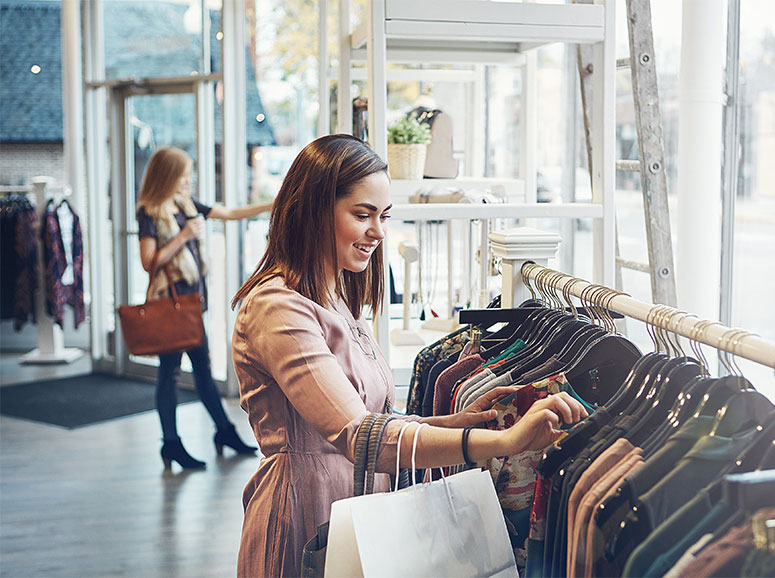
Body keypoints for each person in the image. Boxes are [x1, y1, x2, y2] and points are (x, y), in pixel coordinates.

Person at [230, 134, 588, 577]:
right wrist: (501, 444)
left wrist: (455, 422)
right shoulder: (277, 307)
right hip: (306, 511)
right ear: (313, 209)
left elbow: (378, 420)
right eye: (363, 215)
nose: (378, 232)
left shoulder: (336, 297)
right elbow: (359, 435)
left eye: (383, 216)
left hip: (358, 510)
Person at [136, 146, 271, 470]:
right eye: (184, 174)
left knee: (201, 371)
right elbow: (148, 262)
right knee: (170, 374)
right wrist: (183, 236)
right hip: (171, 305)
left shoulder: (186, 205)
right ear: (168, 175)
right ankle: (175, 443)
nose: (188, 180)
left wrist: (276, 202)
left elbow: (231, 213)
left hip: (192, 304)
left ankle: (220, 432)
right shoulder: (150, 211)